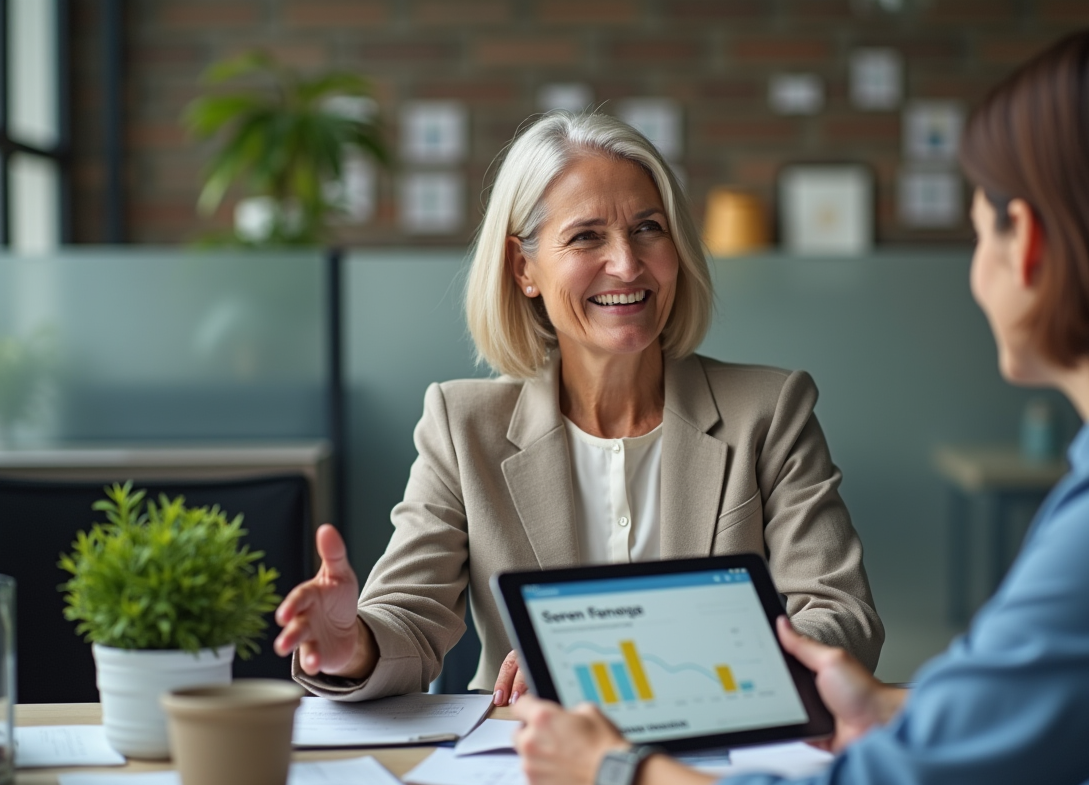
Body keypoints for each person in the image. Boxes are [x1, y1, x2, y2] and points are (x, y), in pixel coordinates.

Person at [511, 28, 1089, 785]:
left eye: (979, 232)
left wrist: (619, 776)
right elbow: (1057, 710)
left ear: (1027, 245)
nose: (628, 263)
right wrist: (902, 710)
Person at [272, 110, 885, 704]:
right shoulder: (463, 427)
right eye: (587, 235)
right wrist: (353, 645)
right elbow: (408, 617)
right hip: (525, 759)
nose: (626, 262)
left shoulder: (769, 411)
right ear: (524, 268)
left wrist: (610, 660)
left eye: (649, 228)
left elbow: (842, 618)